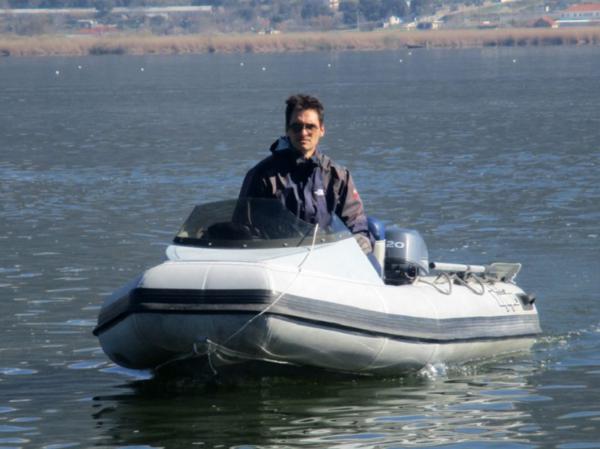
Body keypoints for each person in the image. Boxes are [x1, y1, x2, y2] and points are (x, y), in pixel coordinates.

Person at [238, 94, 373, 253]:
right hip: (277, 259)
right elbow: (243, 229)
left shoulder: (337, 176)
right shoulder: (262, 175)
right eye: (297, 127)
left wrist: (360, 241)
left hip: (321, 258)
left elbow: (356, 224)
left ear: (322, 130)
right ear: (287, 130)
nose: (303, 133)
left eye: (310, 127)